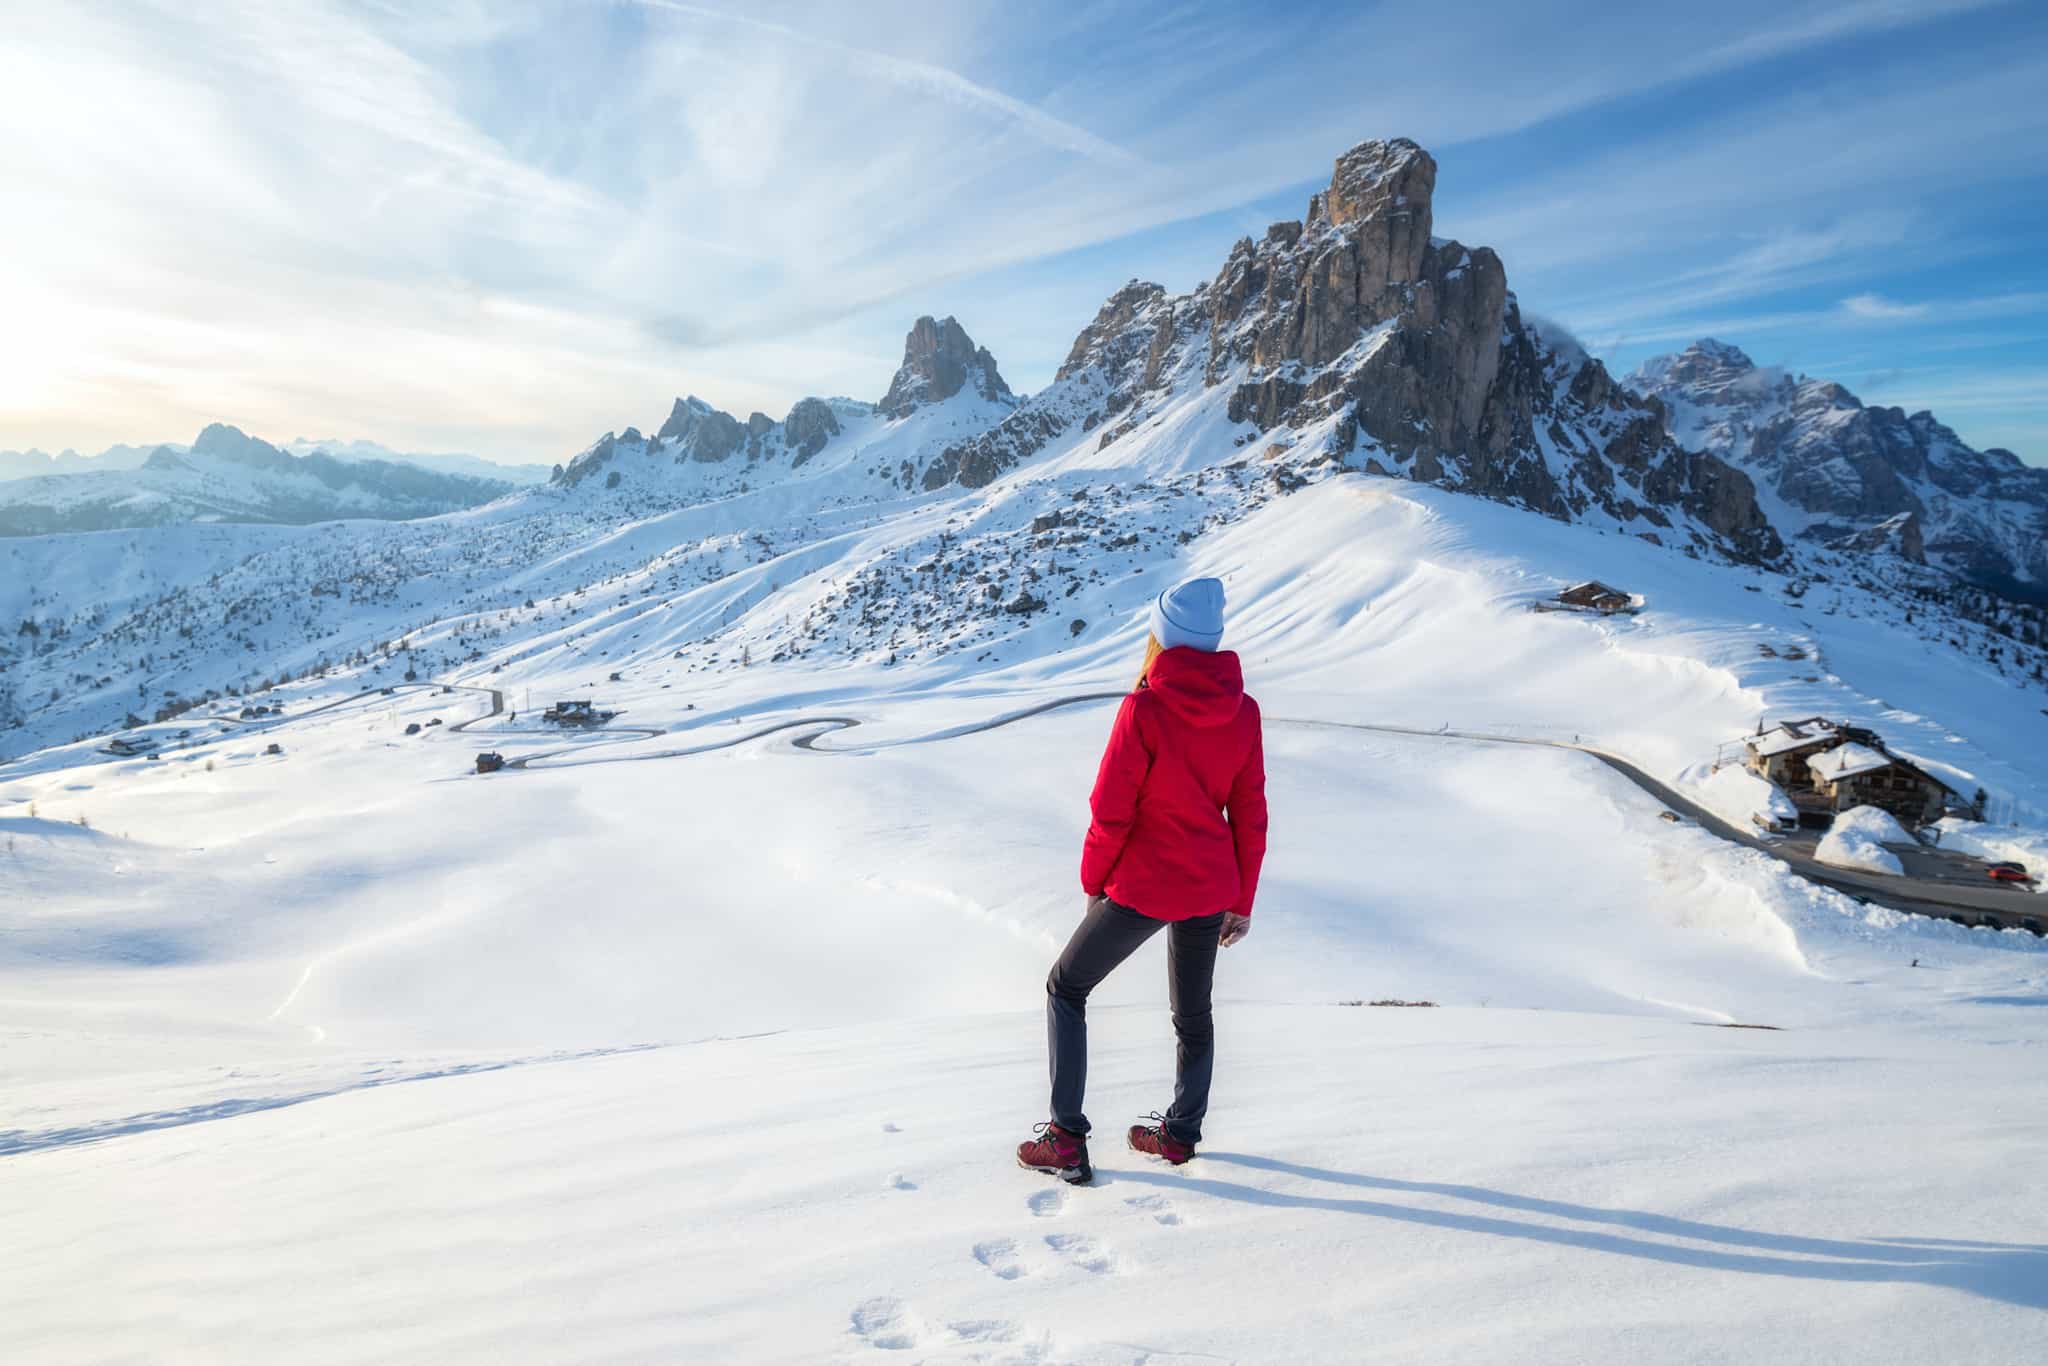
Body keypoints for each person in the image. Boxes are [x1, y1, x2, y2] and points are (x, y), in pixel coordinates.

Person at [1016, 577, 1268, 1184]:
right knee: (1193, 1014)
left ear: (1161, 638)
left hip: (1143, 888)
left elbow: (1111, 810)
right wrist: (1242, 899)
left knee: (1065, 988)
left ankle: (1066, 1139)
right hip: (1210, 886)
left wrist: (1093, 882)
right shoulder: (1245, 710)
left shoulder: (1145, 707)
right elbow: (1250, 811)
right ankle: (1180, 1136)